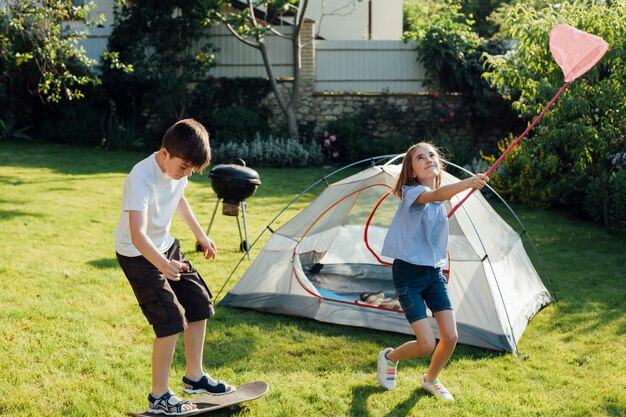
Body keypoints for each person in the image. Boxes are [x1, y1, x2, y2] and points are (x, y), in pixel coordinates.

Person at [114, 119, 235, 416]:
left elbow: (180, 199)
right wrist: (163, 265)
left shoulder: (179, 169)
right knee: (169, 319)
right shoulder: (140, 178)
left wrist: (200, 234)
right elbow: (137, 235)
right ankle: (159, 397)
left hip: (166, 247)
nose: (186, 174)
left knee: (199, 302)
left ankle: (194, 377)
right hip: (138, 254)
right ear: (165, 153)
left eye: (192, 170)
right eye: (184, 168)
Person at [377, 142, 489, 401]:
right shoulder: (412, 192)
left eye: (431, 155)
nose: (428, 159)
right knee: (426, 344)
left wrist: (461, 189)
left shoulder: (439, 196)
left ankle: (431, 379)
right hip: (408, 275)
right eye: (420, 157)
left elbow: (438, 201)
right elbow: (435, 196)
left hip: (433, 273)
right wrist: (468, 182)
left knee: (450, 336)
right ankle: (389, 357)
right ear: (413, 172)